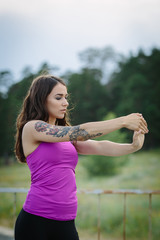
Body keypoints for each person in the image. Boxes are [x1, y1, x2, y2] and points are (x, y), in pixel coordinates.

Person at [14, 74, 148, 240]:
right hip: (36, 221)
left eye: (66, 97)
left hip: (66, 220)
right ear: (41, 99)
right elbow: (82, 132)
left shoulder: (65, 137)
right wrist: (123, 121)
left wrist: (133, 146)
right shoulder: (33, 128)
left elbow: (99, 146)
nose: (66, 103)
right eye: (58, 97)